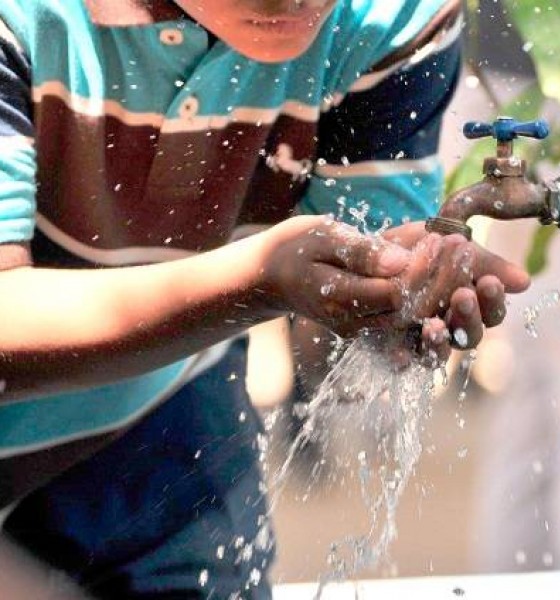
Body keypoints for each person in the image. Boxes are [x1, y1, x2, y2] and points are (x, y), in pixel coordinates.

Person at [0, 0, 530, 597]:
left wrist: (397, 300)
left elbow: (349, 298)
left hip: (164, 405)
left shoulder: (389, 16)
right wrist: (254, 283)